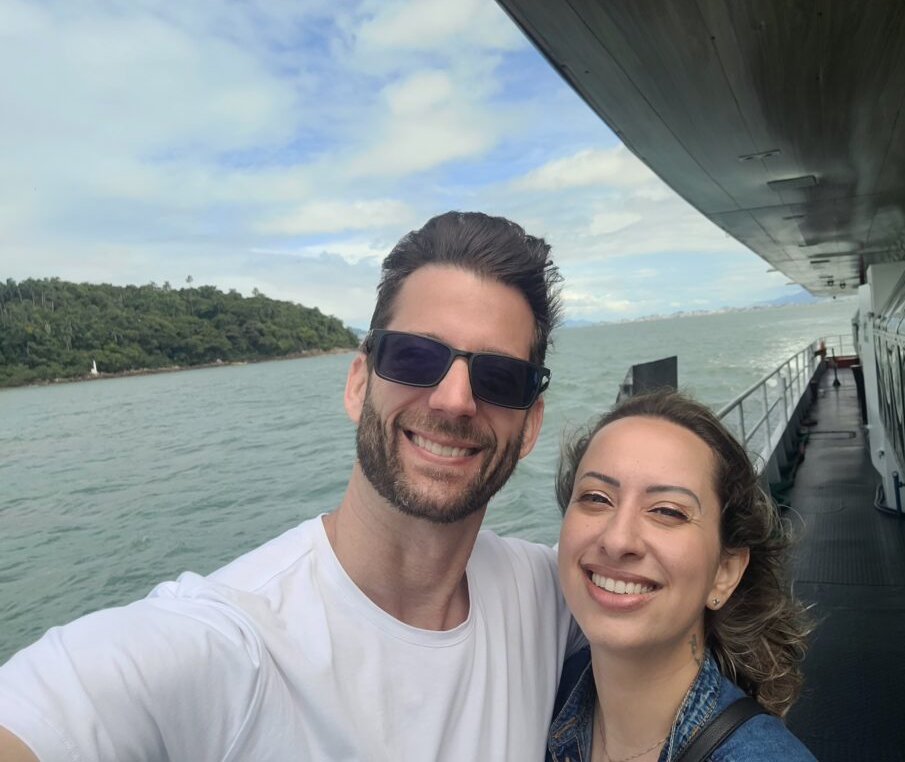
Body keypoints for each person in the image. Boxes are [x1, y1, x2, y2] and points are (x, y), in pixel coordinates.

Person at [0, 211, 583, 761]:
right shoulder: (230, 644)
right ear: (358, 384)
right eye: (414, 356)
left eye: (500, 376)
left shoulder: (550, 594)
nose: (455, 399)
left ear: (530, 424)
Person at [547, 389, 815, 762]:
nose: (618, 539)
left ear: (725, 572)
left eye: (668, 511)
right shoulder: (543, 695)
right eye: (596, 498)